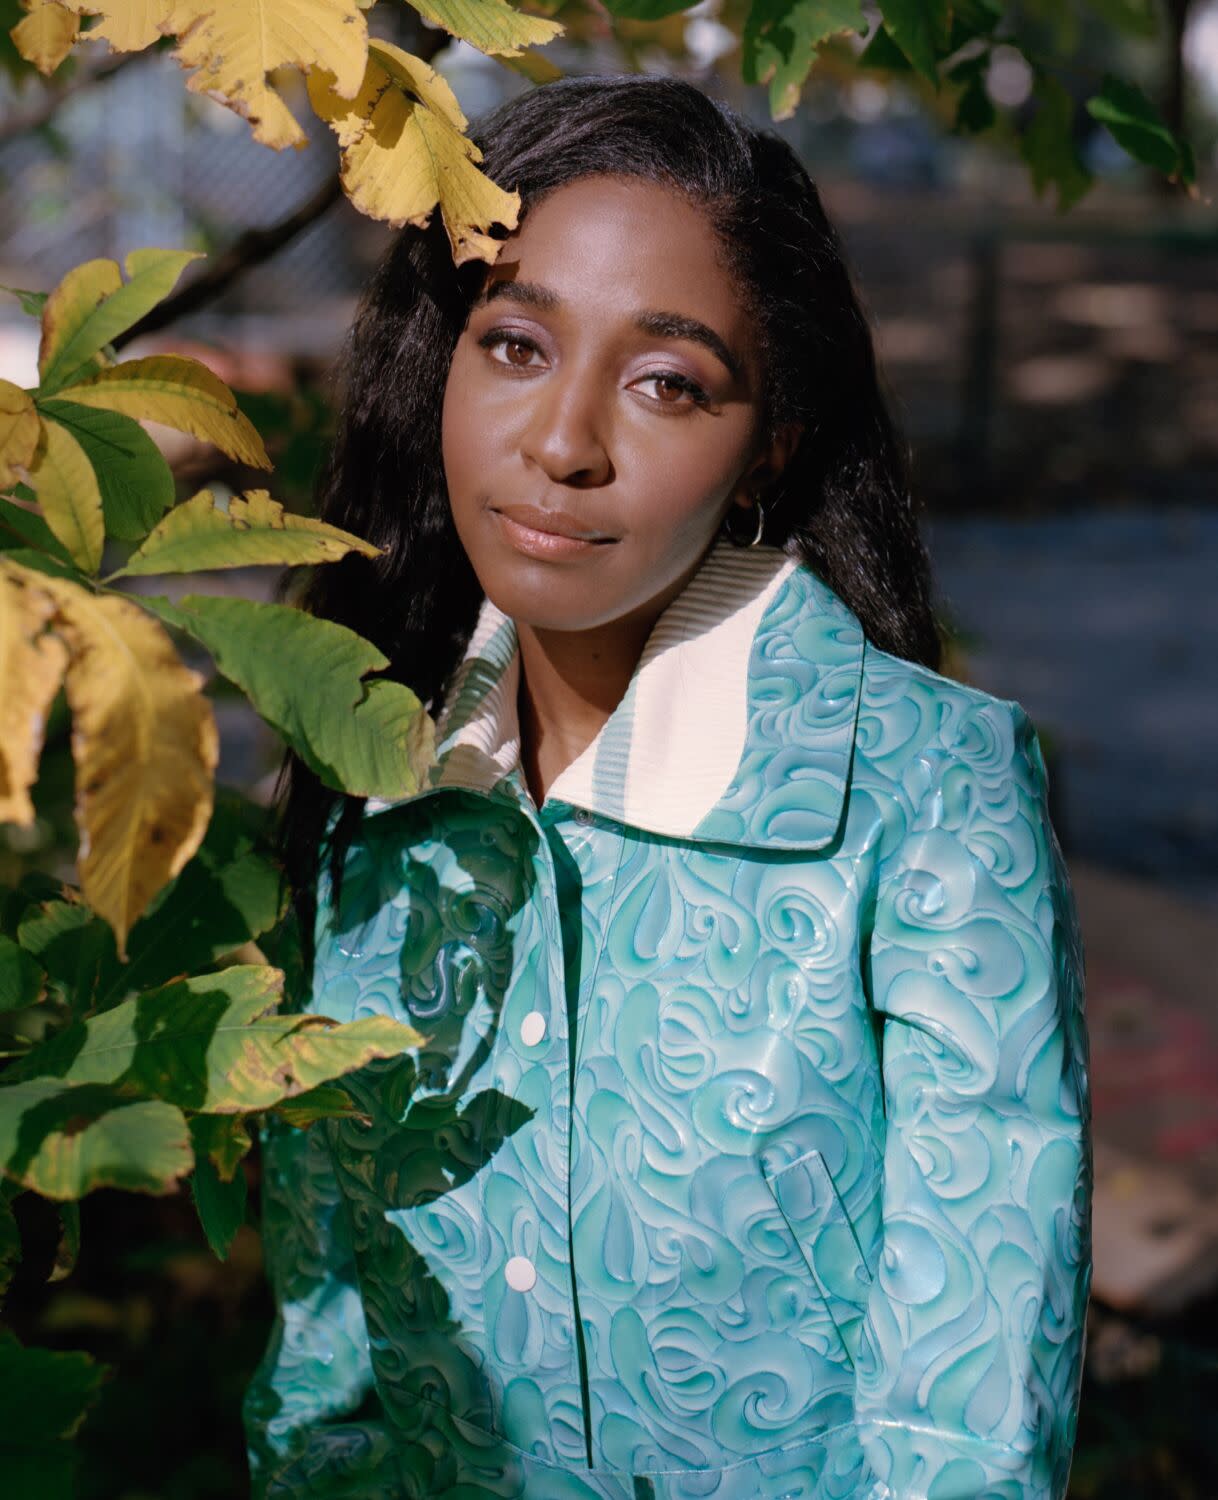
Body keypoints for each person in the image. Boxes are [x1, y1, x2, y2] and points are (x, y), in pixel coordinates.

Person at [243, 73, 1092, 1500]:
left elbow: (970, 1419)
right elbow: (325, 1363)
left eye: (665, 382)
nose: (564, 442)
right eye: (513, 344)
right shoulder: (372, 772)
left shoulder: (925, 798)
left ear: (769, 440)